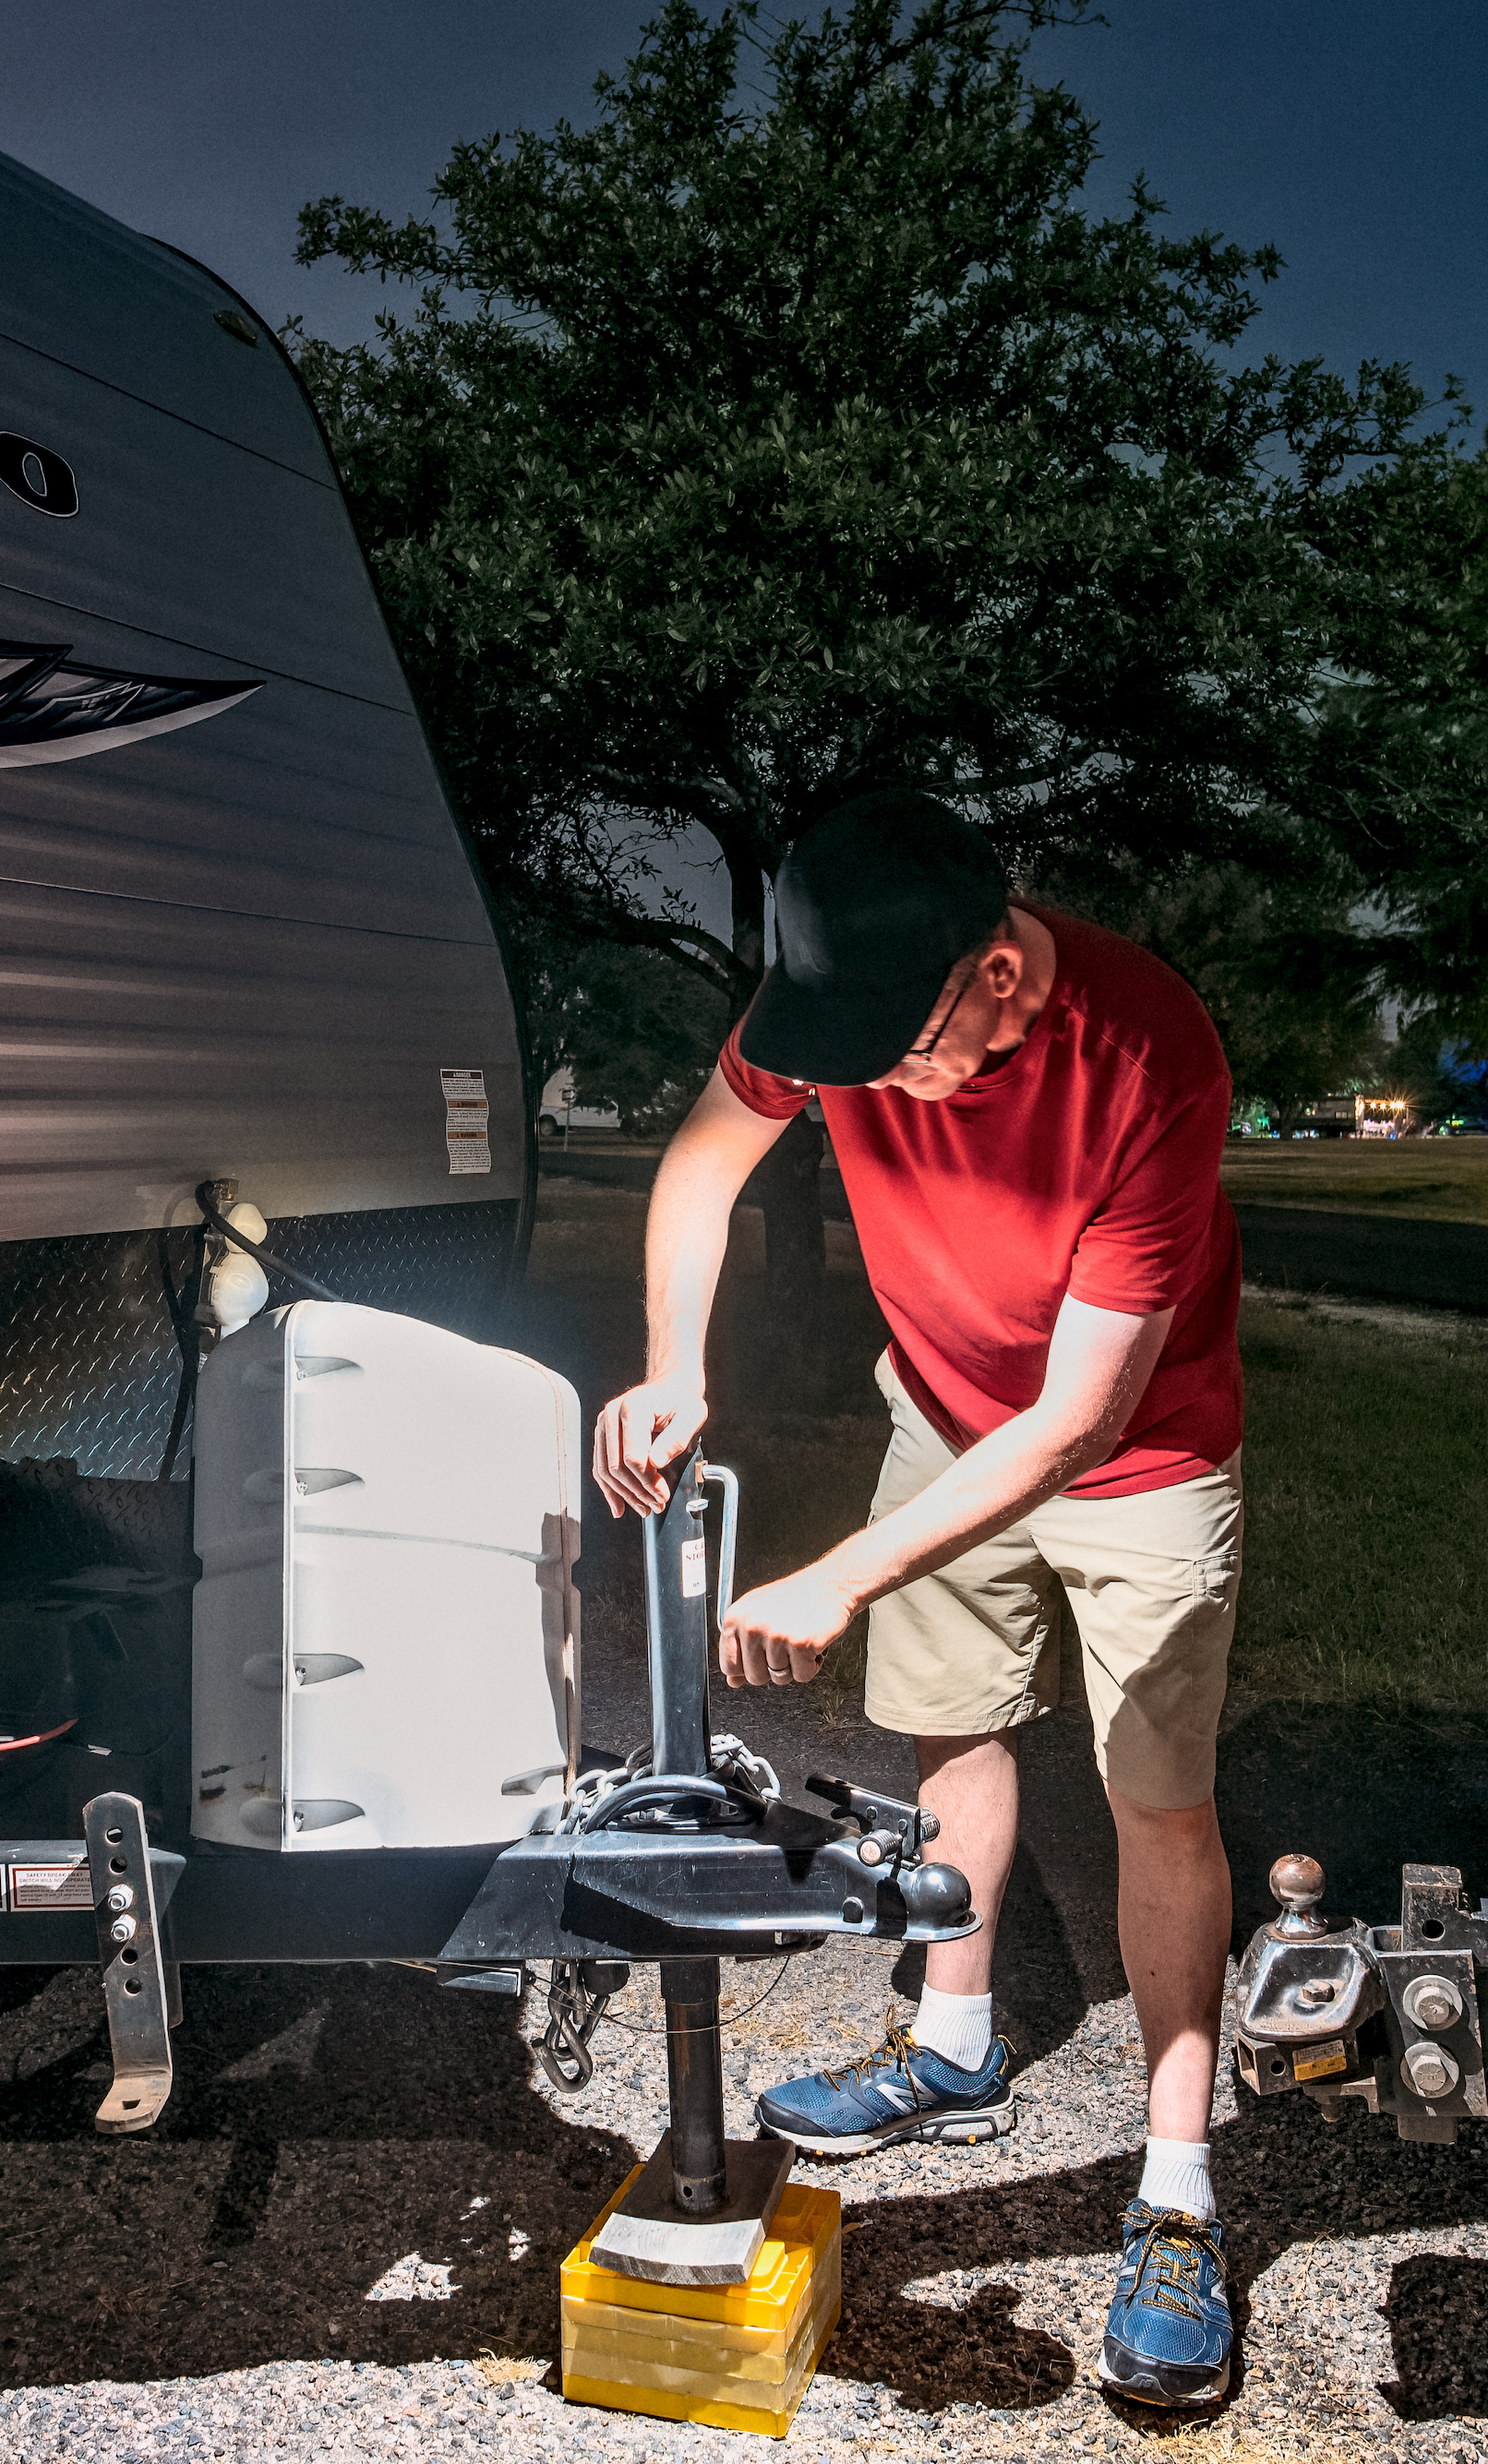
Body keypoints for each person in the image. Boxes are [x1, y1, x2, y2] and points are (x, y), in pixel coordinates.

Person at [589, 788, 1246, 2409]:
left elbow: (1082, 1416)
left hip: (1138, 1456)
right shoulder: (837, 1009)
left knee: (1155, 1794)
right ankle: (953, 2049)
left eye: (902, 1048)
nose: (870, 1084)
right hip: (943, 1411)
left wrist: (841, 1571)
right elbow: (700, 1162)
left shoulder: (1154, 1052)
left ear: (1005, 975)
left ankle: (1176, 2192)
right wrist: (676, 1358)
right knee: (946, 1728)